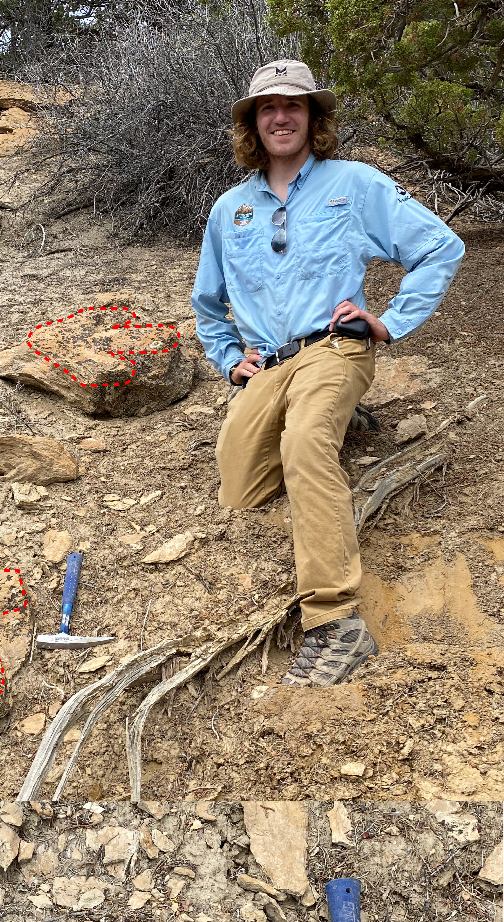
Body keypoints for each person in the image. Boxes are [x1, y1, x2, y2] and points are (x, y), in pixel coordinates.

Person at [191, 59, 464, 688]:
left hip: (333, 349)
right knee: (239, 486)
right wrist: (230, 357)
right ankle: (329, 430)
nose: (281, 117)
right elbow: (208, 304)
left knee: (307, 440)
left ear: (314, 117)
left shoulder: (354, 184)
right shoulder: (230, 209)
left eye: (294, 106)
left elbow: (440, 247)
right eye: (268, 108)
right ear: (252, 123)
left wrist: (390, 320)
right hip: (269, 365)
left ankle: (337, 623)